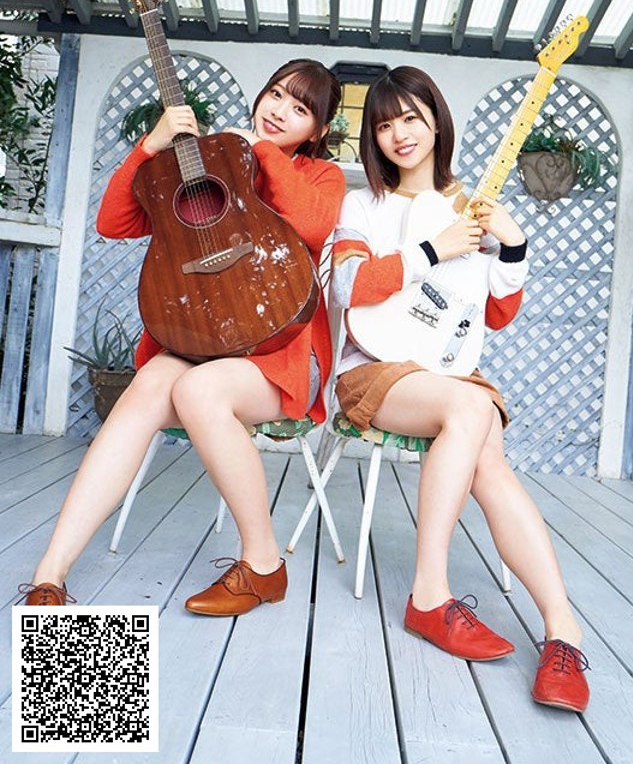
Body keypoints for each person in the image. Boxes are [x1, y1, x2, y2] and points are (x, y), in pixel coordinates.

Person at [20, 59, 345, 617]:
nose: (280, 112)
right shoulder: (204, 162)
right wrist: (150, 146)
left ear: (315, 132)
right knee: (148, 385)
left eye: (300, 110)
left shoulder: (319, 177)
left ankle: (263, 564)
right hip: (195, 342)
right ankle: (51, 573)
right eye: (276, 95)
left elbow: (313, 225)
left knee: (199, 392)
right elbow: (114, 223)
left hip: (279, 357)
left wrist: (260, 151)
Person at [331, 65, 589, 712]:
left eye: (411, 118)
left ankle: (562, 631)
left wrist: (513, 241)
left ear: (437, 120)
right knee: (475, 409)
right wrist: (432, 249)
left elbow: (495, 314)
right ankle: (429, 594)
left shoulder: (474, 204)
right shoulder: (363, 203)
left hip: (448, 371)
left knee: (489, 457)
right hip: (374, 368)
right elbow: (348, 290)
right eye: (384, 124)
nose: (399, 134)